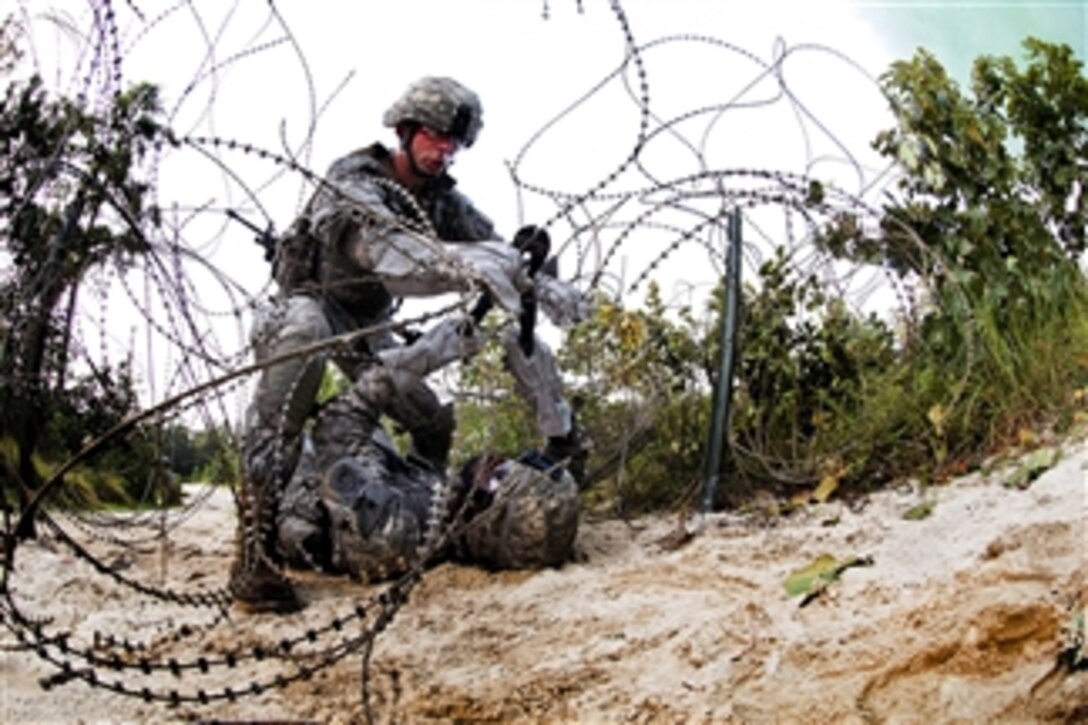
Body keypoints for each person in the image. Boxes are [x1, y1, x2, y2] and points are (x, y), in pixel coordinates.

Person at [231, 76, 588, 612]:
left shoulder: (444, 204)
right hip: (311, 305)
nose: (445, 152)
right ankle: (252, 557)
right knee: (297, 366)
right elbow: (388, 256)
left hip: (369, 328)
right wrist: (476, 266)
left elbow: (500, 251)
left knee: (431, 418)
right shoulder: (354, 180)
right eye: (436, 137)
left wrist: (542, 275)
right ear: (405, 131)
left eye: (455, 144)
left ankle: (423, 497)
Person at [275, 317, 581, 586]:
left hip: (289, 471)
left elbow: (335, 427)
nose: (496, 460)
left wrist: (418, 360)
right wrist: (551, 410)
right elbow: (561, 466)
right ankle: (358, 325)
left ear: (485, 519)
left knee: (294, 350)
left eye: (499, 476)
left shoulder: (395, 531)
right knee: (434, 421)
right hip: (370, 460)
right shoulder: (448, 508)